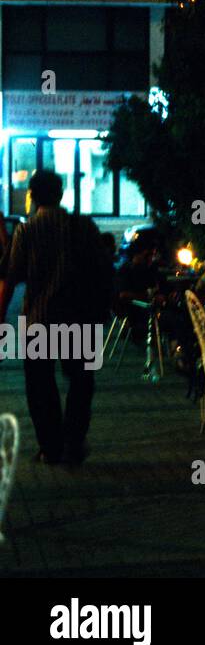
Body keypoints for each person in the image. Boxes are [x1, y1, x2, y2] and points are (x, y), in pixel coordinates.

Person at [0, 170, 113, 465]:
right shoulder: (84, 226)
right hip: (81, 318)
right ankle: (73, 441)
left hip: (40, 320)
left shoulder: (26, 231)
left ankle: (50, 447)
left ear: (33, 197)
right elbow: (103, 268)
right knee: (81, 382)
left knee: (40, 386)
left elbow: (9, 279)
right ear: (61, 194)